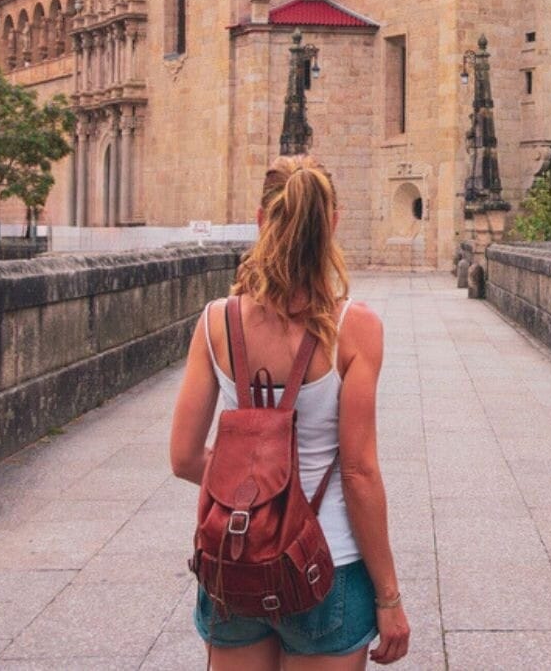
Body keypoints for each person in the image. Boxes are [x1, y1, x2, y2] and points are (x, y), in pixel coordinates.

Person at [171, 156, 411, 668]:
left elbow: (184, 457)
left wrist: (253, 496)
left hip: (234, 559)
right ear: (334, 224)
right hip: (327, 564)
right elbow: (359, 472)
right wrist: (389, 597)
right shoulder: (355, 328)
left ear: (262, 219)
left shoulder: (217, 321)